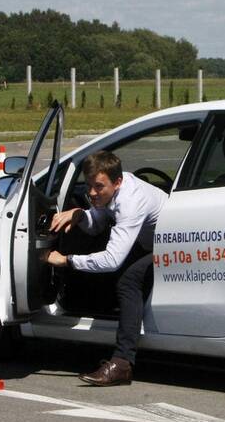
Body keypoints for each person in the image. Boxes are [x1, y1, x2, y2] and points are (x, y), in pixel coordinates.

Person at [45, 150, 166, 386]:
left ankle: (122, 363)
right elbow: (96, 224)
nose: (91, 192)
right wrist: (79, 215)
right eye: (88, 185)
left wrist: (67, 260)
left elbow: (111, 260)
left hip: (166, 246)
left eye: (98, 187)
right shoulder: (112, 190)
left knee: (128, 280)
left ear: (117, 182)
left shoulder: (130, 201)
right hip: (145, 241)